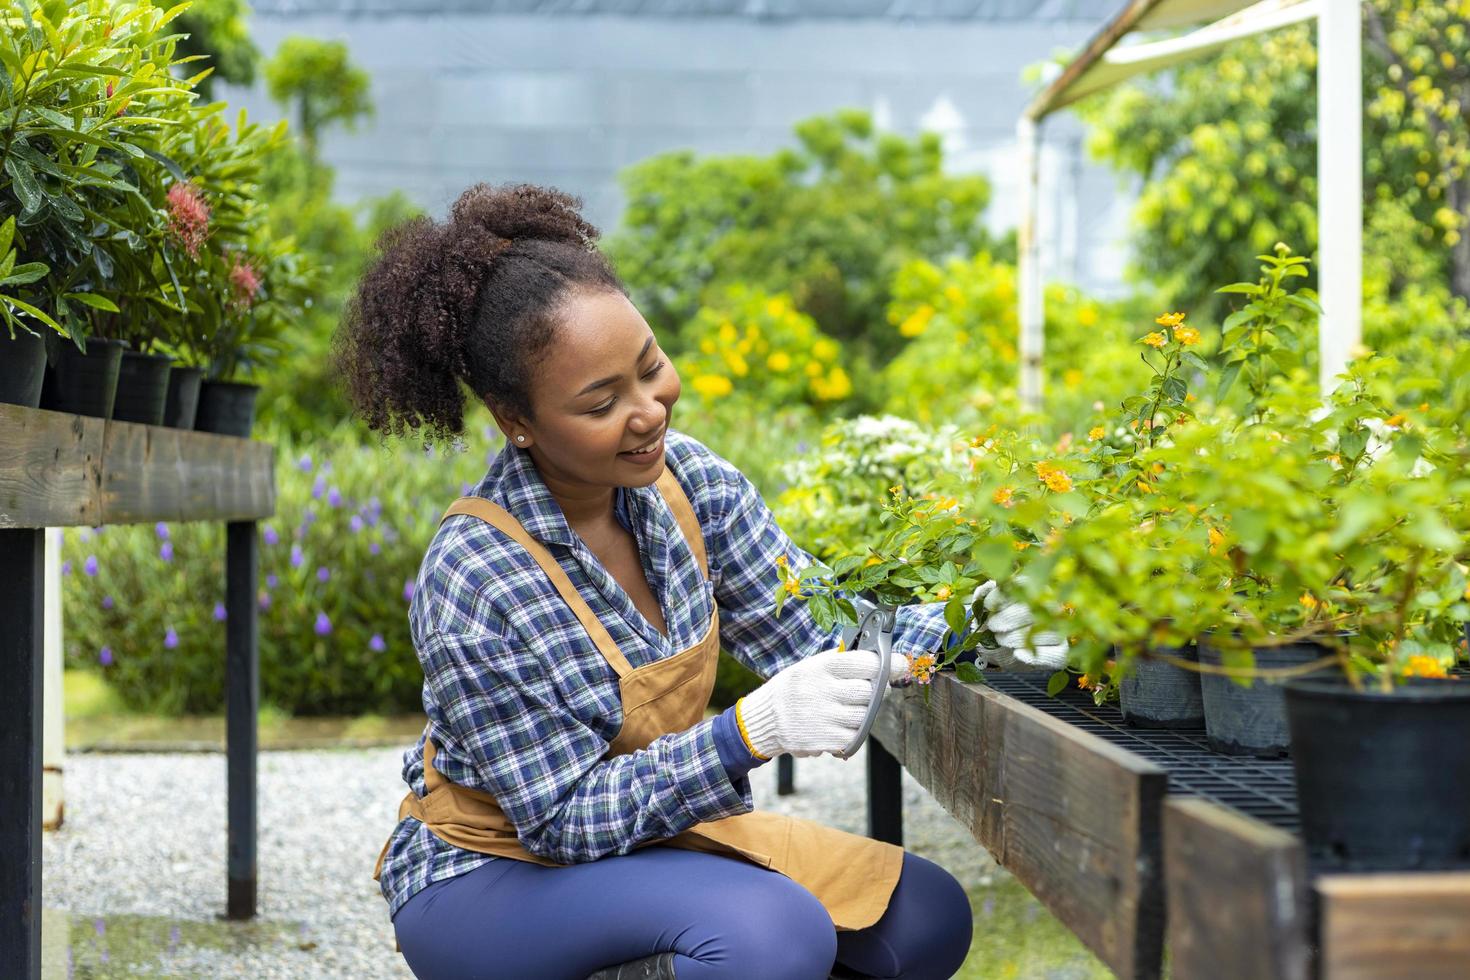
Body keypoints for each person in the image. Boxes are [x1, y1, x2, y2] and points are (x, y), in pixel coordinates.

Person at [336, 183, 1060, 980]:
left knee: (924, 916)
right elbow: (561, 821)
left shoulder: (689, 488)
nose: (649, 411)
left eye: (650, 368)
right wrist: (746, 734)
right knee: (774, 938)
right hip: (492, 874)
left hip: (651, 839)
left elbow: (826, 634)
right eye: (602, 401)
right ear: (518, 421)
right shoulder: (478, 576)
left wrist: (981, 622)